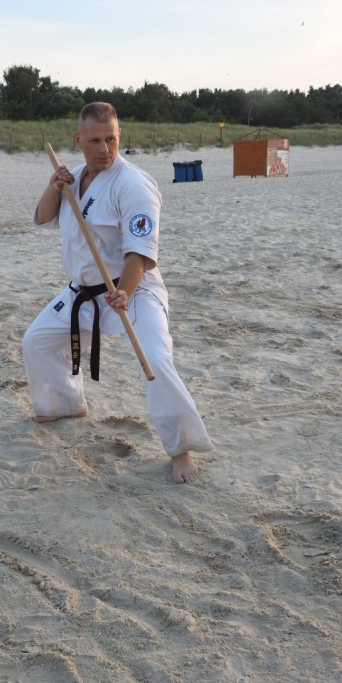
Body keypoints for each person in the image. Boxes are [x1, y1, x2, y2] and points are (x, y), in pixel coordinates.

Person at [22, 102, 212, 484]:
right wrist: (53, 187)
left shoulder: (134, 185)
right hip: (83, 293)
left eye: (111, 139)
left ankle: (181, 450)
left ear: (119, 136)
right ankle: (65, 405)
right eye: (95, 141)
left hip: (131, 290)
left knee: (155, 360)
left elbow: (139, 254)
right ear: (78, 140)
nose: (104, 149)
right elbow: (42, 218)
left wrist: (124, 291)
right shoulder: (73, 179)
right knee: (36, 342)